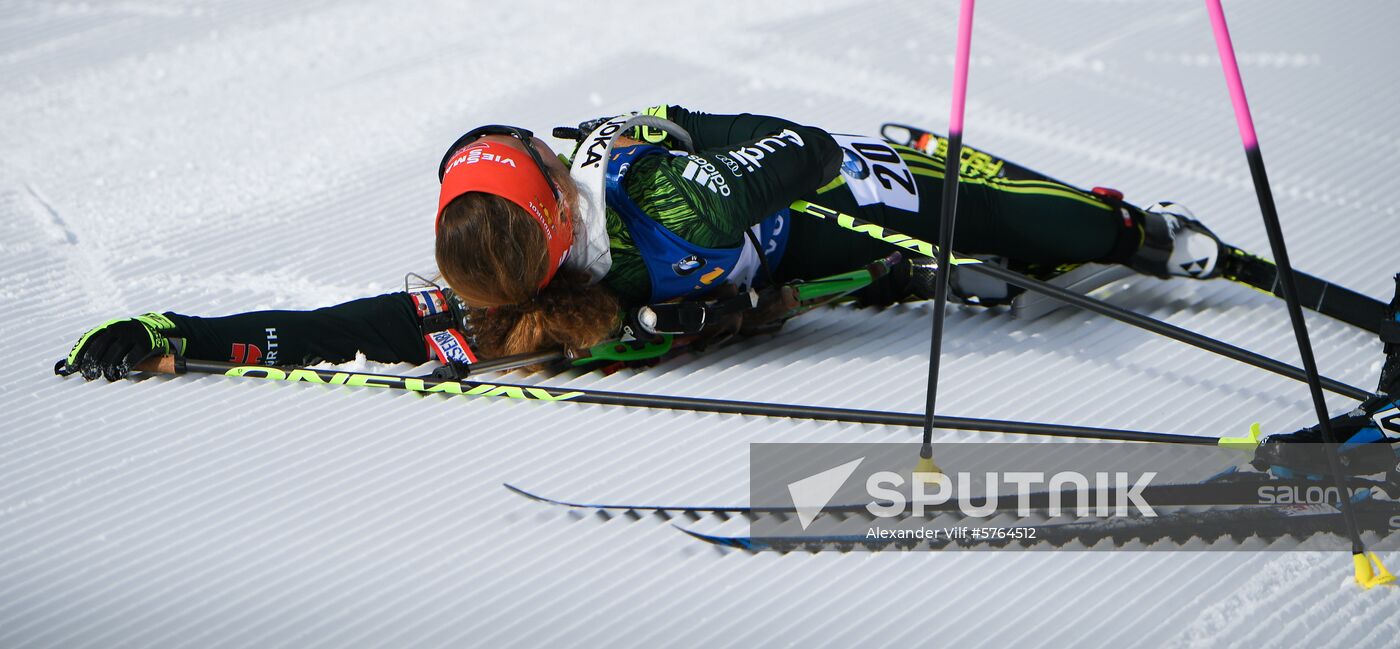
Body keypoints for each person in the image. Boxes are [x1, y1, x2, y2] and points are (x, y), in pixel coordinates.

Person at [58, 105, 1228, 382]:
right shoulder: (623, 215)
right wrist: (187, 341)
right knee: (993, 224)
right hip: (786, 246)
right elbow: (810, 148)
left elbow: (811, 144)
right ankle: (1115, 234)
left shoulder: (636, 213)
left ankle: (1082, 237)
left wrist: (176, 339)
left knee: (962, 218)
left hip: (775, 244)